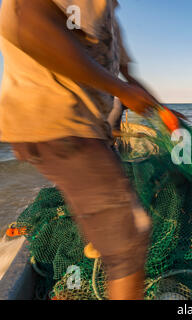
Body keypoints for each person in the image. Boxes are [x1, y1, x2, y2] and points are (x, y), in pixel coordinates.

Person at [0, 0, 160, 299]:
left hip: (87, 129)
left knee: (114, 196)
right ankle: (113, 249)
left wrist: (162, 111)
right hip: (56, 122)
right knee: (132, 238)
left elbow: (126, 72)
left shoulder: (110, 13)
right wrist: (123, 91)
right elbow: (33, 27)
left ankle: (102, 238)